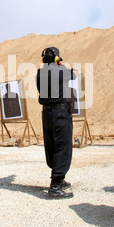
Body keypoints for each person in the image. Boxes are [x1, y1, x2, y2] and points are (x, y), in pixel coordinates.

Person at [36, 47, 75, 198]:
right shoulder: (61, 71)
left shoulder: (39, 74)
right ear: (56, 59)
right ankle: (55, 186)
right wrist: (60, 63)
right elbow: (75, 75)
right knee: (62, 147)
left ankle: (59, 176)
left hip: (47, 113)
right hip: (60, 113)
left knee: (52, 146)